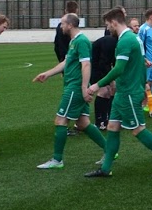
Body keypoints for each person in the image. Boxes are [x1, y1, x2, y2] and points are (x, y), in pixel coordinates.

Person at [82, 7, 152, 178]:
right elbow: (140, 65)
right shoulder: (132, 38)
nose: (108, 28)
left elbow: (118, 69)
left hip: (129, 93)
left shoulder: (126, 40)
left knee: (138, 129)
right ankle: (105, 168)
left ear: (114, 22)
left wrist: (96, 85)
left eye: (108, 24)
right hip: (124, 91)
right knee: (112, 127)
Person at [32, 12, 108, 169]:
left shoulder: (81, 41)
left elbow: (86, 65)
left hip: (75, 87)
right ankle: (110, 150)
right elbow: (66, 62)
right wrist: (47, 74)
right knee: (82, 123)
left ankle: (57, 160)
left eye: (62, 23)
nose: (60, 26)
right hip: (72, 85)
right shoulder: (74, 41)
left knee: (60, 120)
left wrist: (83, 88)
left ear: (70, 25)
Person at [89, 23, 117, 133]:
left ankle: (107, 119)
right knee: (103, 92)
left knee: (109, 92)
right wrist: (111, 79)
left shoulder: (114, 41)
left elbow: (113, 60)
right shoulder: (110, 41)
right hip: (95, 68)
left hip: (100, 66)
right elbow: (103, 62)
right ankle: (99, 122)